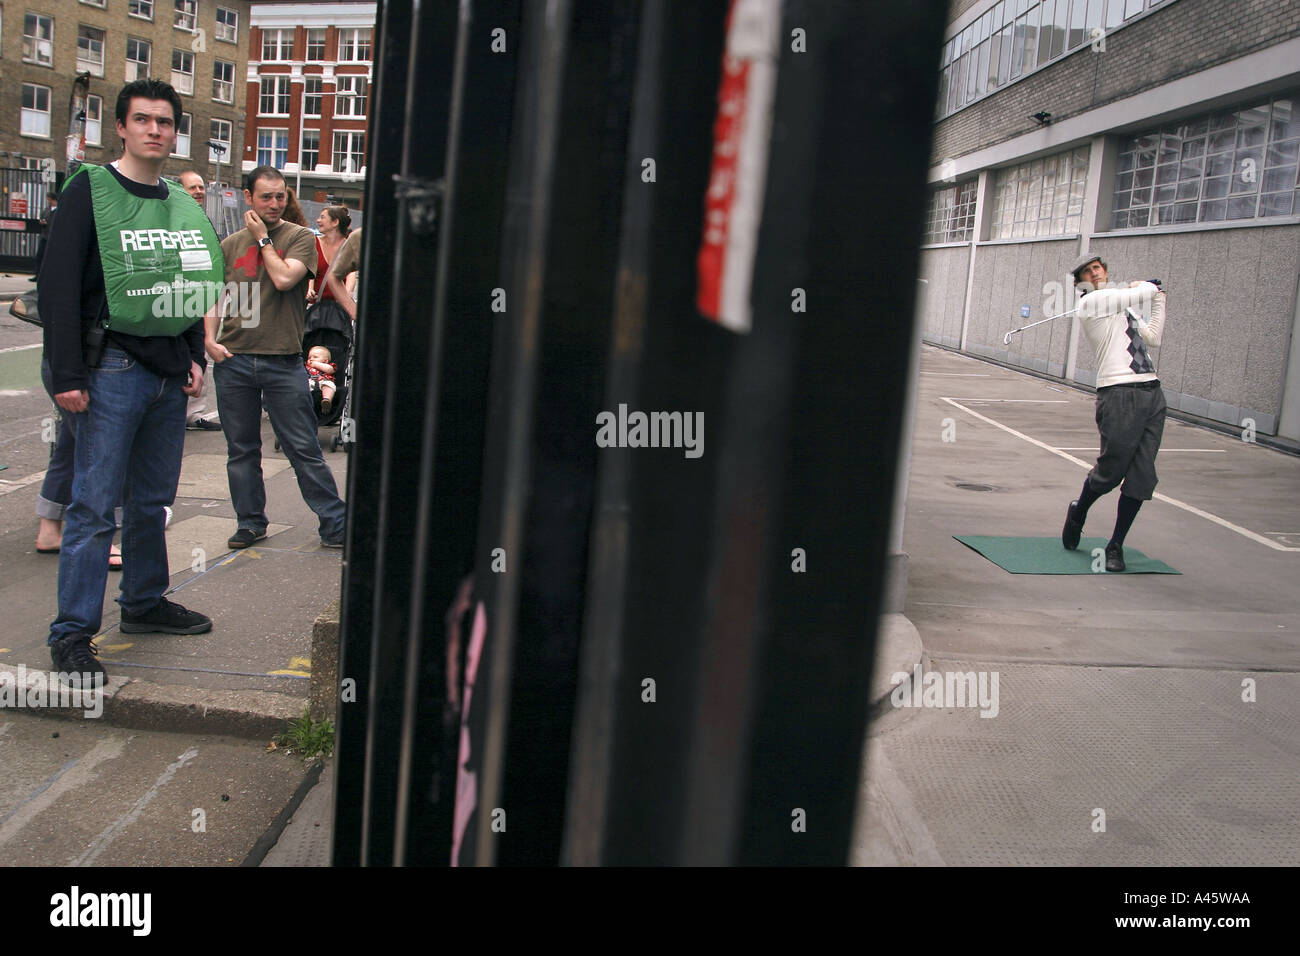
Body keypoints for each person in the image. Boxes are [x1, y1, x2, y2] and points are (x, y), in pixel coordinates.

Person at [41, 79, 222, 688]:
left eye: (165, 122)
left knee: (150, 502)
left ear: (175, 131)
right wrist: (66, 372)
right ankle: (71, 634)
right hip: (107, 369)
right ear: (120, 127)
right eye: (142, 119)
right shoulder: (89, 191)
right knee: (93, 507)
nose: (154, 130)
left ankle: (143, 603)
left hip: (167, 374)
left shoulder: (178, 199)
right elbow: (60, 286)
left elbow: (189, 279)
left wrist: (194, 354)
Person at [205, 165, 346, 550]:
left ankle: (335, 523)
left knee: (303, 447)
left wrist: (263, 239)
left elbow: (285, 279)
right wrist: (209, 341)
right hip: (233, 360)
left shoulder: (300, 238)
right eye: (265, 196)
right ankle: (250, 522)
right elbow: (214, 296)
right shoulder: (230, 244)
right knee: (242, 450)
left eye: (280, 195)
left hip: (282, 360)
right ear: (248, 197)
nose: (274, 202)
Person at [1061, 255, 1167, 572]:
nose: (1094, 273)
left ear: (1105, 271)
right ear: (1081, 283)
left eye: (1098, 268)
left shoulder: (1124, 305)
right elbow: (1136, 292)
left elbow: (1153, 338)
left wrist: (1159, 299)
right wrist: (1146, 286)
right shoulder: (1093, 303)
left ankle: (1115, 545)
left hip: (1152, 391)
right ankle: (1079, 510)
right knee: (1111, 471)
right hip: (1118, 393)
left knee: (1141, 476)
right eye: (1086, 272)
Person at [178, 170, 222, 431]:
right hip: (175, 295)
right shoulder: (173, 219)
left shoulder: (204, 221)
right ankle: (176, 410)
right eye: (192, 187)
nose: (198, 192)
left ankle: (194, 413)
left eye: (201, 187)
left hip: (201, 295)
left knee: (202, 350)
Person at [325, 226, 362, 321]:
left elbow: (350, 275)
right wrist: (354, 312)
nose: (318, 220)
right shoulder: (360, 236)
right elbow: (334, 276)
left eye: (323, 217)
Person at [32, 192, 57, 281]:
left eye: (49, 199)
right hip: (45, 236)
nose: (48, 201)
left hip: (53, 237)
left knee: (51, 258)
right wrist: (42, 222)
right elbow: (41, 218)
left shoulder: (59, 210)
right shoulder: (46, 209)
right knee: (39, 256)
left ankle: (49, 276)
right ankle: (38, 275)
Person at [305, 345, 337, 413]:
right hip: (309, 381)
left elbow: (329, 370)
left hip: (324, 380)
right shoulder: (306, 366)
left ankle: (326, 400)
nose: (311, 359)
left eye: (315, 357)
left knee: (329, 385)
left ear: (325, 361)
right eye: (309, 357)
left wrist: (316, 364)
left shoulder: (329, 366)